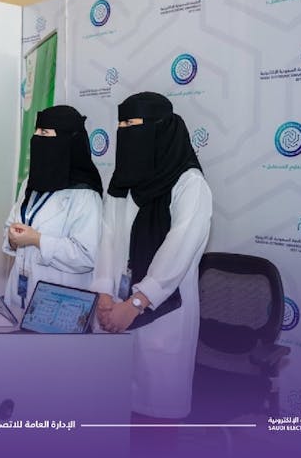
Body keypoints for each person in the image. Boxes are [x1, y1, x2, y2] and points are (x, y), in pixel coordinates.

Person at [91, 92, 212, 426]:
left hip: (162, 315)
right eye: (121, 125)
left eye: (132, 124)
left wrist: (136, 303)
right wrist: (104, 292)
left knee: (153, 424)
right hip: (114, 308)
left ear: (160, 128)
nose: (125, 131)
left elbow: (179, 249)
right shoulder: (122, 181)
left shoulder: (190, 184)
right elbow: (107, 237)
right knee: (110, 417)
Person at [2, 105, 103, 309]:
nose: (37, 138)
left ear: (66, 140)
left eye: (45, 132)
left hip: (59, 302)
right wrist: (12, 239)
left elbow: (86, 256)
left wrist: (37, 240)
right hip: (18, 293)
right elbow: (12, 225)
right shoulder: (30, 182)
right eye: (37, 131)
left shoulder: (85, 194)